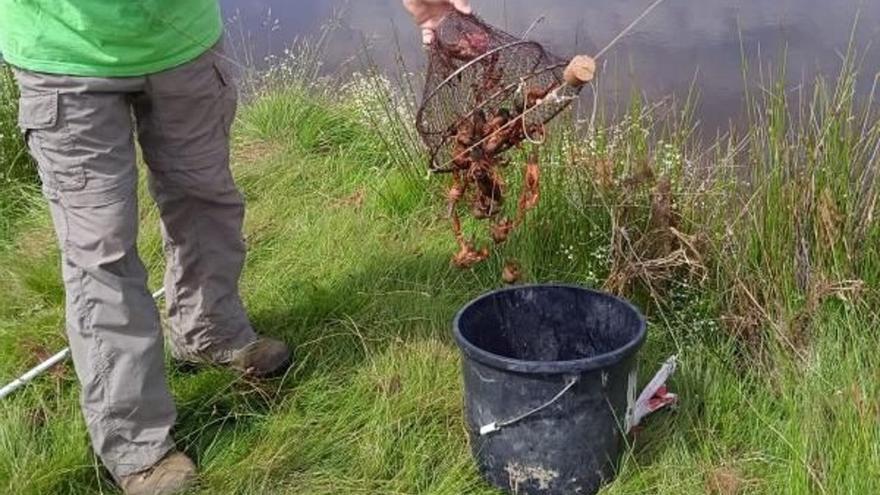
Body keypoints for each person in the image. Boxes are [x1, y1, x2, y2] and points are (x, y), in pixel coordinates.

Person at [0, 0, 471, 493]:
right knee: (103, 252)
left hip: (182, 40)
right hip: (63, 52)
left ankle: (207, 331)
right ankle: (134, 442)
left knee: (208, 203)